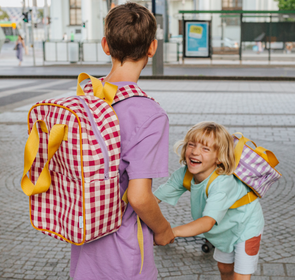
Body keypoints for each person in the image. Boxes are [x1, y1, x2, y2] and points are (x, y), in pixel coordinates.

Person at [69, 3, 174, 280]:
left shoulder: (85, 97)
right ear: (152, 48)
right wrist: (163, 230)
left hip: (85, 246)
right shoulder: (149, 114)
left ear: (105, 45)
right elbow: (139, 197)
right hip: (125, 256)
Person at [154, 122, 265, 280]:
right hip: (223, 230)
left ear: (219, 157)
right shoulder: (184, 174)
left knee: (240, 275)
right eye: (191, 145)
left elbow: (207, 222)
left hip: (246, 227)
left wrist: (172, 232)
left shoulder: (222, 183)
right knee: (224, 268)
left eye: (205, 149)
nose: (195, 152)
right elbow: (153, 199)